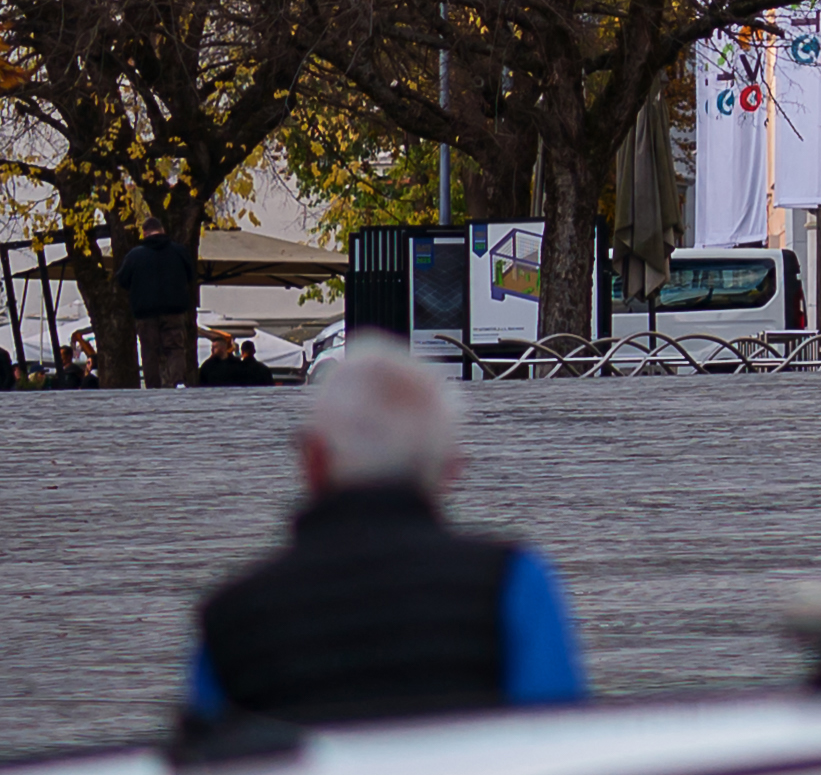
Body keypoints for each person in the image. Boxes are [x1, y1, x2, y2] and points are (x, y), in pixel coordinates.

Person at [184, 345, 590, 728]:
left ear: (313, 459)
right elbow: (556, 743)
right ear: (449, 469)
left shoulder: (231, 617)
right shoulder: (513, 585)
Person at [126, 225, 203, 389]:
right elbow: (191, 275)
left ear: (145, 233)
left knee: (149, 350)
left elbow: (122, 279)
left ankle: (152, 386)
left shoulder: (135, 255)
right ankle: (178, 382)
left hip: (145, 311)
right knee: (175, 347)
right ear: (163, 231)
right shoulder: (179, 251)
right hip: (173, 309)